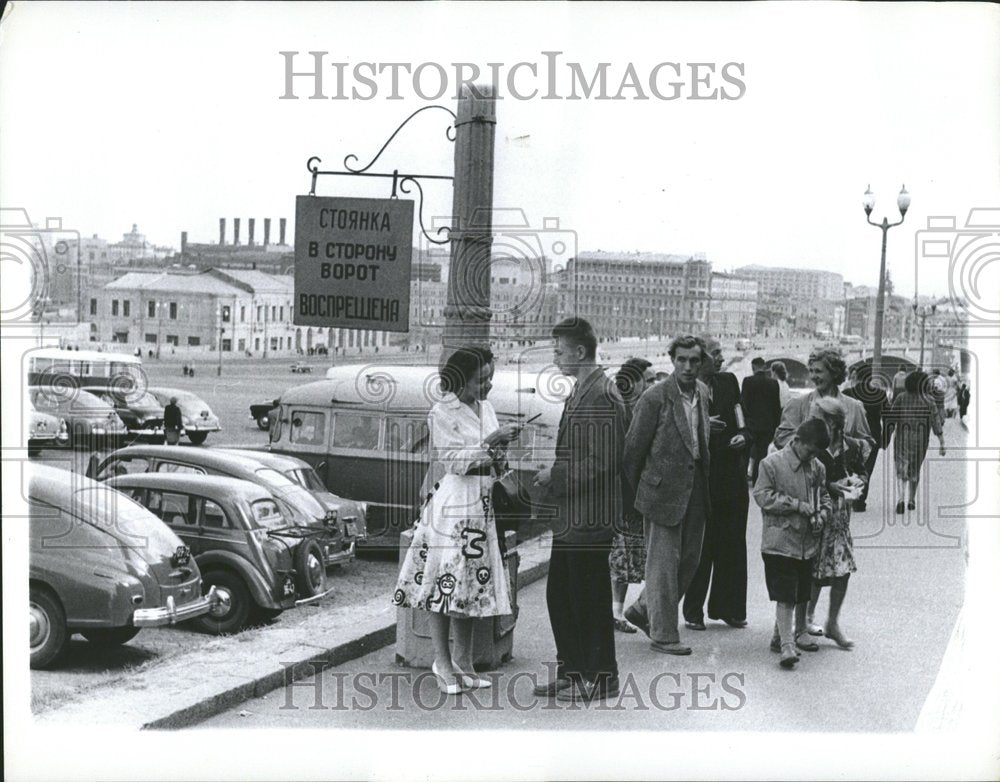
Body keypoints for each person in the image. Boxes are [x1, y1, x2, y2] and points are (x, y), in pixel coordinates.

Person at [392, 346, 519, 695]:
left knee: (469, 587)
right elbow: (453, 461)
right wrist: (491, 442)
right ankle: (442, 661)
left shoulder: (487, 407)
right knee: (444, 583)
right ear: (461, 379)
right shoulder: (441, 411)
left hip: (481, 503)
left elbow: (490, 456)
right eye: (481, 380)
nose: (488, 386)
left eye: (491, 378)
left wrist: (501, 447)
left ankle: (463, 662)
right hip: (455, 505)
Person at [532, 318, 628, 702]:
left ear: (580, 351)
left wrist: (553, 475)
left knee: (587, 598)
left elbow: (602, 462)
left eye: (558, 351)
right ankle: (573, 671)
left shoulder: (603, 394)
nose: (555, 358)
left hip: (590, 518)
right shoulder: (582, 390)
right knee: (562, 595)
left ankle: (602, 677)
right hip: (573, 517)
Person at [622, 335, 711, 656]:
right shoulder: (654, 397)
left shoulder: (702, 393)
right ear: (672, 361)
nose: (688, 367)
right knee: (662, 566)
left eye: (694, 361)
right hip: (661, 492)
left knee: (689, 561)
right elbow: (633, 451)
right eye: (682, 360)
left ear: (702, 363)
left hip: (696, 488)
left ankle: (644, 609)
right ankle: (663, 634)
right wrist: (640, 495)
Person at [753, 418, 833, 669]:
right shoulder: (771, 464)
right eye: (809, 451)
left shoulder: (817, 467)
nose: (811, 457)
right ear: (797, 441)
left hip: (806, 543)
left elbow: (824, 496)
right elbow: (762, 496)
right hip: (779, 541)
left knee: (799, 593)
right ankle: (788, 646)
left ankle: (782, 635)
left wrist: (822, 514)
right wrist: (796, 505)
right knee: (785, 594)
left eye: (816, 453)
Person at [683, 337, 751, 631]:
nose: (722, 358)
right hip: (700, 478)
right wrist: (700, 427)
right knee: (701, 544)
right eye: (716, 353)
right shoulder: (682, 389)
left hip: (730, 475)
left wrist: (745, 437)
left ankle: (729, 608)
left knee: (733, 543)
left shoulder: (728, 383)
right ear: (699, 359)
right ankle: (693, 611)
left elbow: (741, 419)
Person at [803, 397, 867, 649]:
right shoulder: (813, 446)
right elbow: (803, 477)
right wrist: (831, 486)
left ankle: (832, 622)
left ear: (831, 422)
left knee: (842, 571)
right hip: (815, 516)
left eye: (816, 418)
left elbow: (861, 471)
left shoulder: (851, 446)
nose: (811, 422)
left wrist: (858, 482)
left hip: (840, 520)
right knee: (813, 571)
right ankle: (805, 619)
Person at [609, 357, 655, 634]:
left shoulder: (640, 408)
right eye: (648, 380)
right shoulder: (623, 411)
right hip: (624, 495)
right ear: (633, 382)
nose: (652, 384)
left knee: (626, 558)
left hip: (635, 494)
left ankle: (619, 611)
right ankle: (615, 612)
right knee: (620, 557)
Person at [773, 346, 874, 453]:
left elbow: (868, 445)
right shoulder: (797, 404)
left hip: (839, 468)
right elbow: (780, 438)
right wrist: (807, 444)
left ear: (834, 373)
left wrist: (844, 443)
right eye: (811, 371)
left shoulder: (854, 406)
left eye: (818, 371)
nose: (813, 376)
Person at [884, 370, 945, 514]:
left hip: (902, 439)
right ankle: (911, 499)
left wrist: (886, 436)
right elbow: (936, 421)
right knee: (915, 469)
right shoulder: (929, 400)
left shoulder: (901, 397)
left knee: (901, 468)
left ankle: (900, 499)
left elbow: (891, 418)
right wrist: (942, 442)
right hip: (921, 440)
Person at [841, 367, 888, 512]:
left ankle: (848, 496)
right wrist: (885, 439)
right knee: (866, 469)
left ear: (856, 377)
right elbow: (888, 418)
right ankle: (860, 501)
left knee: (848, 467)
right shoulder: (880, 394)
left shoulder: (847, 393)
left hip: (851, 437)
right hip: (872, 437)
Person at [741, 356, 782, 484]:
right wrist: (776, 425)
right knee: (762, 454)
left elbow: (743, 404)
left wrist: (744, 424)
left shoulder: (747, 381)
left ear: (753, 368)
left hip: (751, 425)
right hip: (767, 426)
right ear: (764, 367)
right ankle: (757, 479)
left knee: (746, 453)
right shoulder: (773, 383)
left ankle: (743, 478)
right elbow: (777, 407)